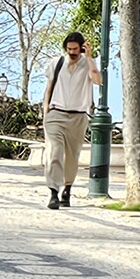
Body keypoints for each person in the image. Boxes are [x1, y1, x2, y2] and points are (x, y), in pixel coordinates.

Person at [40, 30, 101, 209]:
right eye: (69, 49)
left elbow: (97, 80)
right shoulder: (57, 63)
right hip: (55, 114)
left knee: (72, 156)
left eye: (75, 49)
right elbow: (49, 88)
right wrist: (46, 112)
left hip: (78, 115)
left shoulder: (88, 64)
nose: (72, 52)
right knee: (54, 151)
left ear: (81, 48)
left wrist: (89, 58)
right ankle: (53, 192)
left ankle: (67, 188)